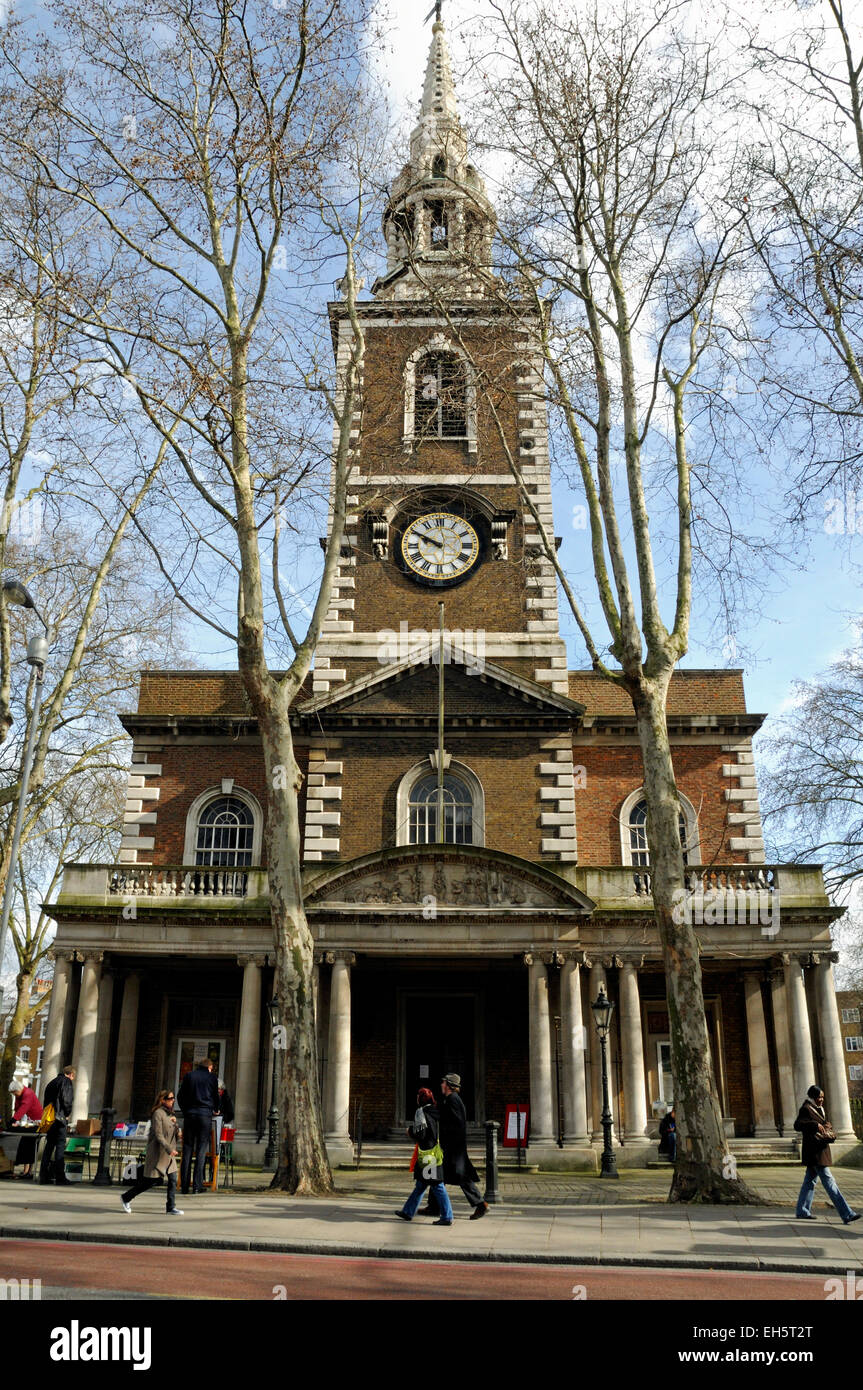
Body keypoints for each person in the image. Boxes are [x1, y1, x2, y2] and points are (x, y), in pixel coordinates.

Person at [794, 1084, 861, 1225]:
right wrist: (814, 1125)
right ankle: (847, 1213)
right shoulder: (806, 1109)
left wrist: (826, 1126)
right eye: (819, 1097)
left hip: (820, 1150)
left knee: (809, 1181)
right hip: (815, 1152)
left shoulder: (819, 1109)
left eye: (823, 1097)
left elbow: (822, 1124)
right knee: (830, 1183)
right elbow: (797, 1125)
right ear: (813, 1097)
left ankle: (802, 1211)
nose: (821, 1099)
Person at [426, 1073, 488, 1220]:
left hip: (454, 1148)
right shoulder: (449, 1100)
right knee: (438, 1175)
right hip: (451, 1147)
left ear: (449, 1085)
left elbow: (456, 1123)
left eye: (443, 1083)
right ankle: (434, 1206)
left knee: (461, 1176)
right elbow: (444, 1116)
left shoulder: (453, 1100)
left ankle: (480, 1204)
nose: (441, 1085)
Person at [120, 1089, 184, 1216]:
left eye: (173, 1098)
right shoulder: (158, 1114)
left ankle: (171, 1207)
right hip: (159, 1153)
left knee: (173, 1179)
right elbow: (159, 1135)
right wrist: (169, 1149)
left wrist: (177, 1129)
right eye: (170, 1098)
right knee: (151, 1181)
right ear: (163, 1100)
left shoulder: (169, 1114)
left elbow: (173, 1134)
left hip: (169, 1155)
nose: (173, 1100)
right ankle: (126, 1197)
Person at [395, 1087, 453, 1226]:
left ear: (420, 1099)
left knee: (437, 1186)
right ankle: (408, 1211)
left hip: (427, 1155)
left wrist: (410, 1131)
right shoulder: (436, 1111)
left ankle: (447, 1216)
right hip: (435, 1152)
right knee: (421, 1185)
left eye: (417, 1096)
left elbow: (420, 1133)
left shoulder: (421, 1112)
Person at [177, 1057, 220, 1195]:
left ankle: (184, 1185)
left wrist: (185, 1110)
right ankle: (197, 1185)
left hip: (190, 1115)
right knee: (201, 1150)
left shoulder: (189, 1075)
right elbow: (215, 1096)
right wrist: (216, 1108)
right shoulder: (212, 1078)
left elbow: (180, 1096)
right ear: (209, 1067)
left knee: (187, 1149)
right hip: (204, 1115)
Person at [39, 1065, 75, 1185]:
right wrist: (67, 1113)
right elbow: (67, 1100)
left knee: (49, 1147)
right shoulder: (67, 1082)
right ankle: (60, 1177)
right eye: (73, 1077)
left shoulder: (51, 1082)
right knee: (60, 1147)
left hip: (50, 1118)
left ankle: (43, 1176)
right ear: (71, 1074)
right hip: (60, 1119)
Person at [11, 1081, 43, 1177]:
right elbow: (17, 1108)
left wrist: (14, 1119)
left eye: (14, 1093)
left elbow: (24, 1107)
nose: (14, 1095)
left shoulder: (28, 1093)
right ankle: (26, 1171)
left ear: (18, 1090)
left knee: (30, 1145)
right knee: (26, 1143)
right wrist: (16, 1120)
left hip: (36, 1121)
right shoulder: (19, 1095)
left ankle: (28, 1171)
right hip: (29, 1122)